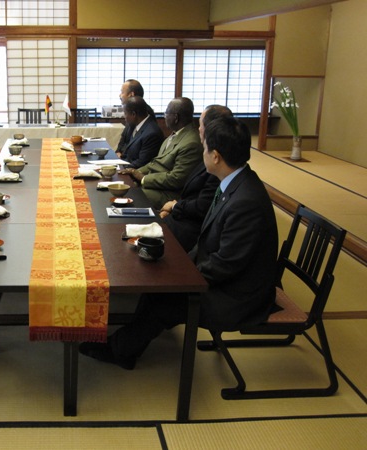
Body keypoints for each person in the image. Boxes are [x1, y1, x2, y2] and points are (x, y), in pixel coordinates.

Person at [80, 116, 279, 370]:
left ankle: (121, 350)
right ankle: (128, 343)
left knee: (165, 299)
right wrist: (179, 266)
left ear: (216, 156)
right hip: (227, 277)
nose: (202, 153)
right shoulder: (236, 182)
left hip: (238, 295)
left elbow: (226, 265)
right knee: (156, 283)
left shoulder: (245, 202)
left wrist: (181, 275)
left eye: (204, 148)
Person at [159, 104, 232, 252]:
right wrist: (174, 209)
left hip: (193, 229)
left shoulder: (221, 166)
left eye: (200, 125)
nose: (198, 129)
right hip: (184, 214)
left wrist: (174, 208)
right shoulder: (212, 158)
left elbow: (202, 207)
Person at [120, 97, 203, 209]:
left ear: (175, 117)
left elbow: (176, 179)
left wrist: (143, 178)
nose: (164, 117)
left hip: (170, 194)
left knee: (130, 195)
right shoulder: (175, 135)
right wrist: (135, 172)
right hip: (157, 185)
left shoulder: (191, 143)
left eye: (166, 113)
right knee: (123, 186)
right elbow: (155, 163)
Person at [117, 96, 164, 168]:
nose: (124, 117)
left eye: (125, 113)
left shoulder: (152, 133)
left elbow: (142, 163)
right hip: (126, 164)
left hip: (135, 172)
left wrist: (119, 168)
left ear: (133, 114)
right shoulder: (135, 126)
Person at [116, 79, 157, 156]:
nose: (120, 95)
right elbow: (124, 138)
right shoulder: (130, 110)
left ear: (131, 95)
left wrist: (122, 157)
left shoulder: (144, 112)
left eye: (122, 92)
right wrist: (118, 151)